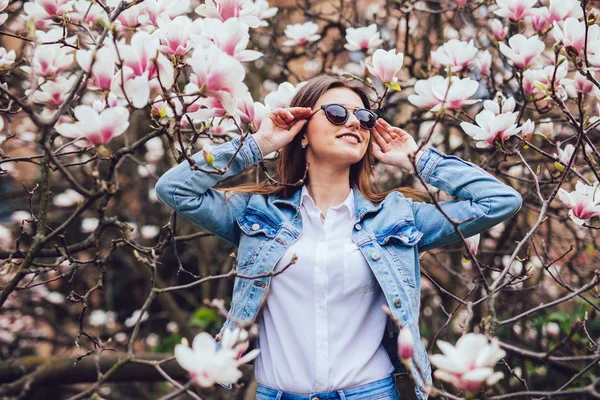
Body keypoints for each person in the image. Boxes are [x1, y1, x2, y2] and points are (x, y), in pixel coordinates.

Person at [155, 75, 523, 400]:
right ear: (301, 131)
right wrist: (260, 142)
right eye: (335, 113)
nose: (354, 123)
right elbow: (175, 189)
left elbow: (500, 201)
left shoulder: (397, 218)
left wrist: (417, 160)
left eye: (364, 118)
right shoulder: (257, 213)